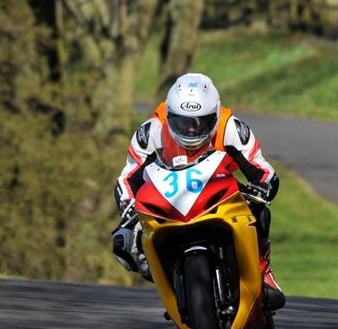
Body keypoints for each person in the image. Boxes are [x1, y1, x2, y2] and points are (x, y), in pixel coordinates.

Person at [111, 73, 285, 311]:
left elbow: (262, 169)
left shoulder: (230, 127)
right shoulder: (152, 131)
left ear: (214, 115)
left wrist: (262, 187)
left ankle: (264, 273)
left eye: (200, 122)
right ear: (170, 115)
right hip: (168, 200)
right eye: (183, 122)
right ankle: (168, 279)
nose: (191, 130)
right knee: (124, 241)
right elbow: (127, 177)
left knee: (260, 212)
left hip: (218, 192)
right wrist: (129, 207)